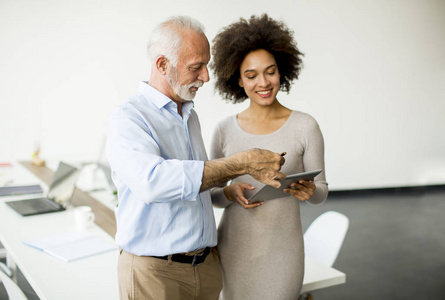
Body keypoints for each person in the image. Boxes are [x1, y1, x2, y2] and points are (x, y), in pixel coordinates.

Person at [106, 16, 287, 300]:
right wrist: (240, 163)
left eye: (206, 65)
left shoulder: (189, 115)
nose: (206, 76)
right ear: (162, 65)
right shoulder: (129, 118)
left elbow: (192, 185)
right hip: (156, 273)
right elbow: (154, 183)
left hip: (204, 267)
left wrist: (225, 190)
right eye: (196, 67)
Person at [209, 14, 329, 299]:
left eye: (270, 71)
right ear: (238, 79)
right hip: (233, 248)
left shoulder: (305, 126)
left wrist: (309, 191)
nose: (262, 82)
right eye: (251, 75)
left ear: (282, 72)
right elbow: (211, 195)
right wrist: (229, 192)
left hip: (283, 250)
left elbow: (322, 191)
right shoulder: (224, 130)